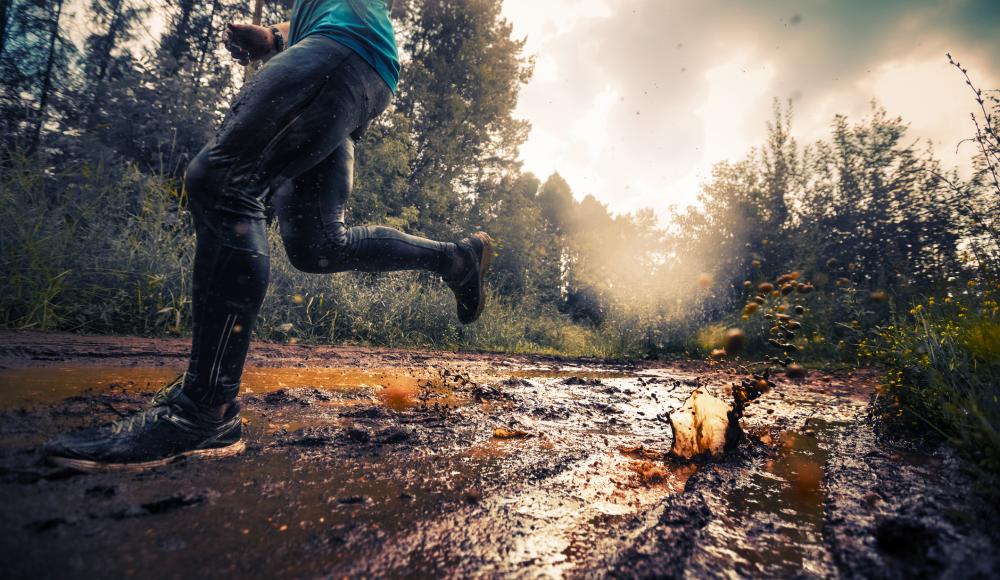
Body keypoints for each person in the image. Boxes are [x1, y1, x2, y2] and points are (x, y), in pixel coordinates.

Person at [43, 0, 493, 472]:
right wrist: (276, 39)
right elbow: (313, 15)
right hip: (352, 68)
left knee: (224, 181)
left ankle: (202, 411)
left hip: (342, 53)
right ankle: (457, 260)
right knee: (318, 244)